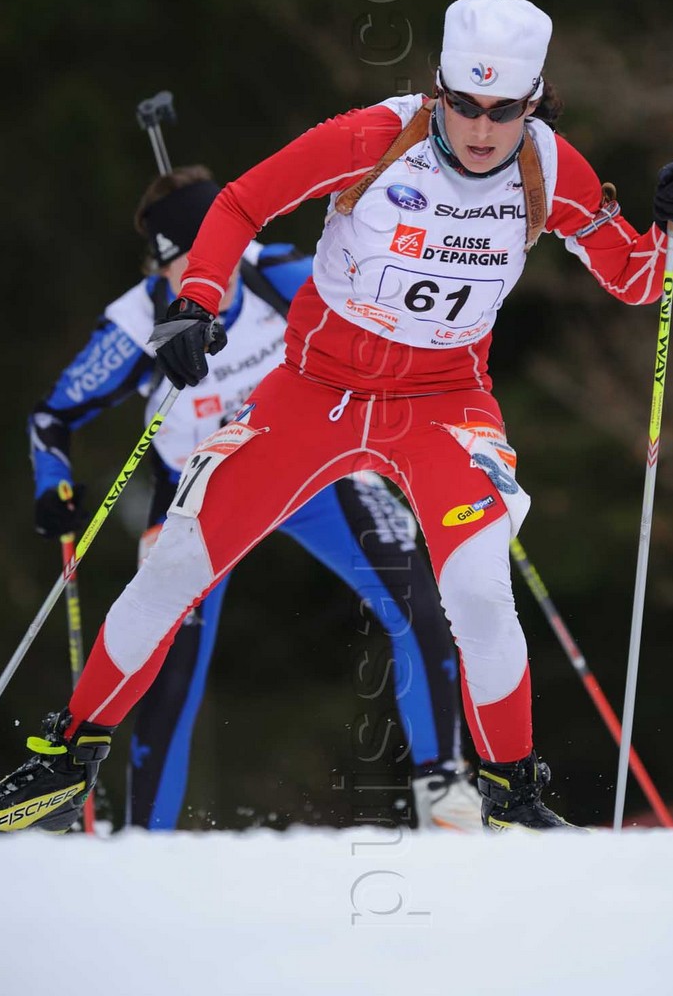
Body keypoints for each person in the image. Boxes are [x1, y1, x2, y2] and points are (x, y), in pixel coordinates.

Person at [0, 0, 673, 834]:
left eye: (503, 111)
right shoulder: (373, 138)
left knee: (477, 591)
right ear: (437, 89)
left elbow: (635, 279)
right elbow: (241, 203)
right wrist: (197, 300)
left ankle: (510, 794)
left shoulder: (550, 169)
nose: (481, 130)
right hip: (315, 392)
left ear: (534, 102)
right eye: (463, 105)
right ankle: (67, 758)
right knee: (175, 565)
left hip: (442, 402)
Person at [24, 165, 480, 831]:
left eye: (221, 250)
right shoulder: (137, 324)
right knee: (166, 660)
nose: (210, 273)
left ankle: (443, 792)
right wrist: (51, 483)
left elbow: (385, 324)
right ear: (159, 264)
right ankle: (144, 840)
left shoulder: (282, 274)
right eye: (187, 263)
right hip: (198, 491)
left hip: (311, 475)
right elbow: (52, 417)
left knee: (417, 595)